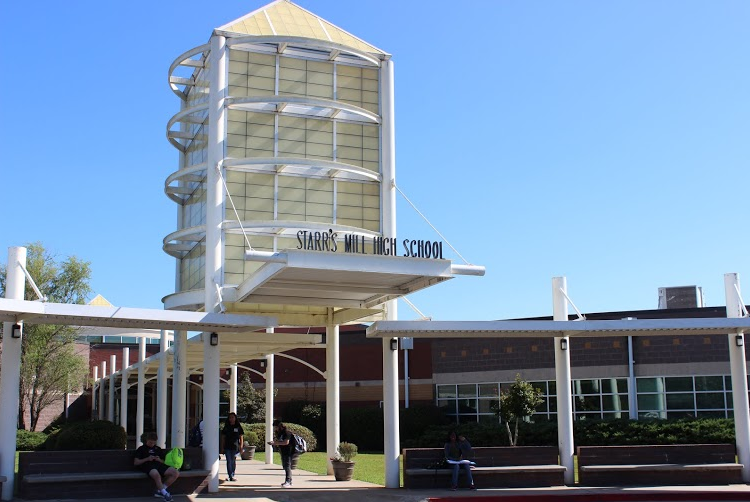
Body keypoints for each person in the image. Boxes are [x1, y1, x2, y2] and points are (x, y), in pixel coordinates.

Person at [134, 432, 179, 501]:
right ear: (147, 440)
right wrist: (147, 459)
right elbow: (136, 462)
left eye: (153, 443)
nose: (152, 444)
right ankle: (165, 494)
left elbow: (165, 461)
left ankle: (160, 490)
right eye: (150, 442)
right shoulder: (141, 449)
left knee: (175, 473)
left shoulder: (158, 449)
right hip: (148, 466)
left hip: (159, 464)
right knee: (156, 475)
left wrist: (159, 460)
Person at [267, 419, 293, 487]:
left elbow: (286, 442)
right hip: (283, 451)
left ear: (279, 426)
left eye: (276, 427)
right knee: (285, 466)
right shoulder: (279, 434)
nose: (275, 429)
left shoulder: (287, 433)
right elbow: (279, 441)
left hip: (289, 451)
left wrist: (275, 443)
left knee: (287, 466)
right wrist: (274, 443)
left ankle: (288, 481)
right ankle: (288, 480)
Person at [220, 412, 244, 481]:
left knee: (233, 461)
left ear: (235, 418)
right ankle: (229, 475)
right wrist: (222, 448)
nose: (231, 419)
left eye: (233, 417)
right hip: (227, 446)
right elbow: (223, 437)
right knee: (228, 461)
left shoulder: (238, 427)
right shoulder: (226, 427)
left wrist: (241, 447)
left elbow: (241, 437)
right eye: (230, 417)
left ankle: (232, 475)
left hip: (235, 447)